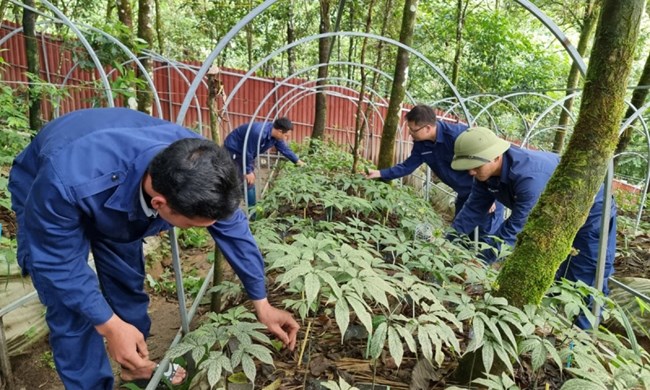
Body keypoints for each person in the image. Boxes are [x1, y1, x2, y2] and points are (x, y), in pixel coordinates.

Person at [8, 108, 300, 390]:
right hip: (53, 184)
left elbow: (234, 231)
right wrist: (109, 325)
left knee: (127, 283)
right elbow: (58, 264)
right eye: (194, 226)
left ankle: (136, 365)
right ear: (160, 205)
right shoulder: (63, 181)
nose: (204, 229)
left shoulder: (200, 166)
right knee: (69, 307)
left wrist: (261, 303)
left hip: (117, 194)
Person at [449, 127, 616, 329]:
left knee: (586, 274)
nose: (471, 172)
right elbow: (473, 209)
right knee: (558, 270)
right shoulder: (486, 176)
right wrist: (448, 242)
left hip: (591, 212)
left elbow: (516, 228)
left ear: (495, 157)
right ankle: (554, 323)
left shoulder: (529, 177)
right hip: (554, 213)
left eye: (475, 166)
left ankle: (579, 340)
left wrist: (482, 261)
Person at [364, 104, 503, 236]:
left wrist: (490, 195)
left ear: (428, 128)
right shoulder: (421, 145)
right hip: (464, 194)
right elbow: (407, 167)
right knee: (461, 234)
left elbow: (488, 161)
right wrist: (379, 173)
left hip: (486, 192)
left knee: (487, 236)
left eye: (413, 130)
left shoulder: (458, 136)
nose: (410, 133)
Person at [224, 117, 304, 209]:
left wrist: (298, 161)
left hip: (245, 154)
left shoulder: (274, 135)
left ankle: (251, 211)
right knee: (240, 181)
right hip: (234, 152)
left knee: (247, 182)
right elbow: (247, 151)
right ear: (280, 131)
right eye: (286, 136)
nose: (285, 138)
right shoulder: (258, 133)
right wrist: (248, 171)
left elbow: (284, 149)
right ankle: (236, 211)